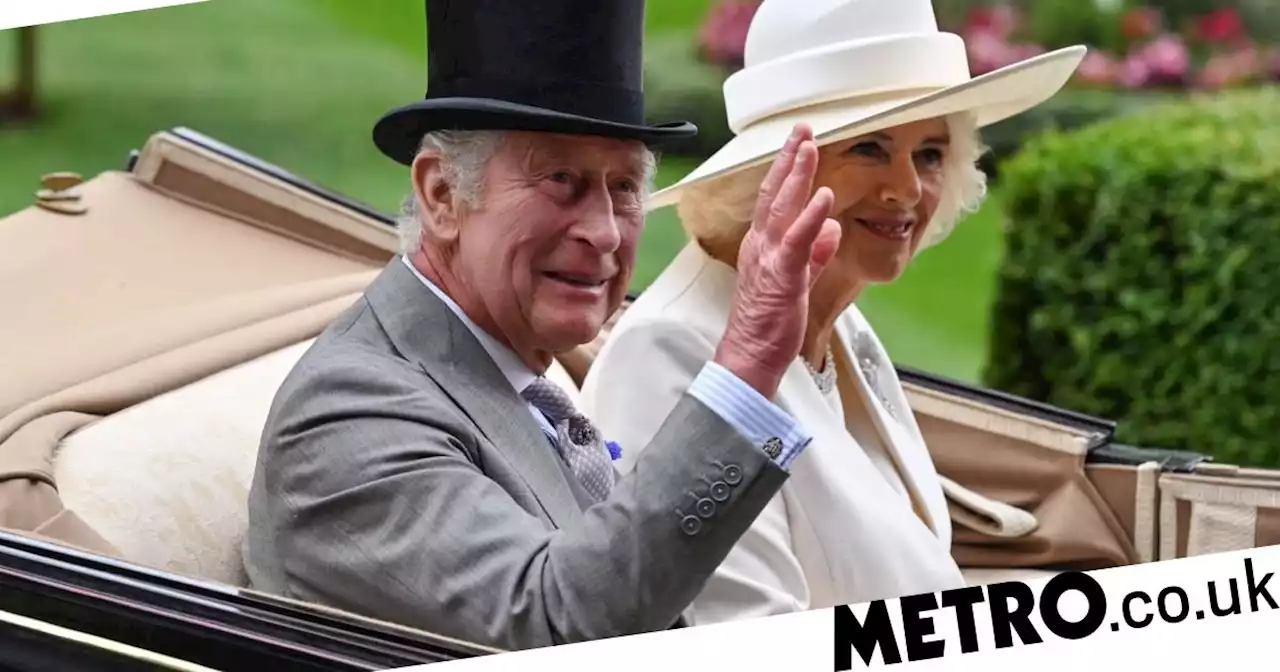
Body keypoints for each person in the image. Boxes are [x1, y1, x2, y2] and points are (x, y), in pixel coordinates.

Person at [242, 0, 843, 652]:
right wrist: (748, 361)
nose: (606, 232)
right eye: (561, 180)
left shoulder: (519, 374)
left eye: (624, 187)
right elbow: (558, 627)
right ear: (443, 195)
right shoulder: (349, 413)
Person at [579, 0, 1086, 624]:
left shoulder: (840, 320)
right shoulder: (667, 352)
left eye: (930, 153)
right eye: (870, 148)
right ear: (774, 172)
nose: (906, 189)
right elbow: (749, 639)